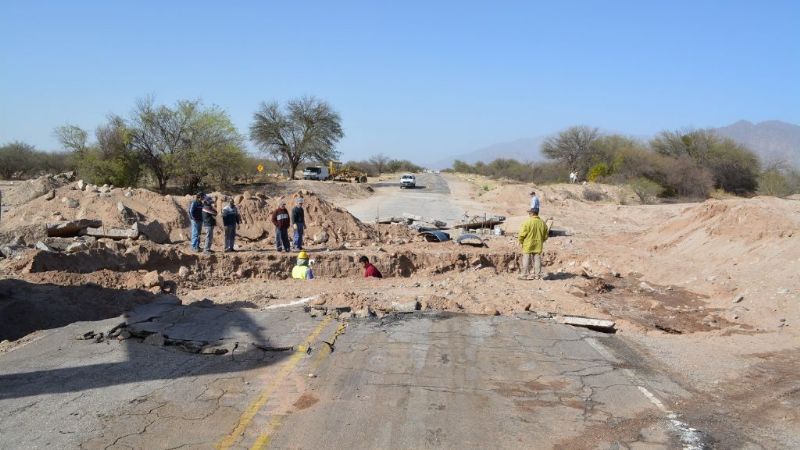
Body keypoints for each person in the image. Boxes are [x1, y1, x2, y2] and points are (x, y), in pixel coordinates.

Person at [518, 207, 549, 280]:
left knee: (526, 258)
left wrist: (521, 241)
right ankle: (537, 275)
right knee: (537, 259)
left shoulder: (527, 222)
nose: (529, 214)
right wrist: (541, 241)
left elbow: (522, 235)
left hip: (528, 244)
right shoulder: (542, 223)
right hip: (538, 244)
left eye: (529, 213)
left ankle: (524, 275)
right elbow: (545, 236)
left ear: (532, 213)